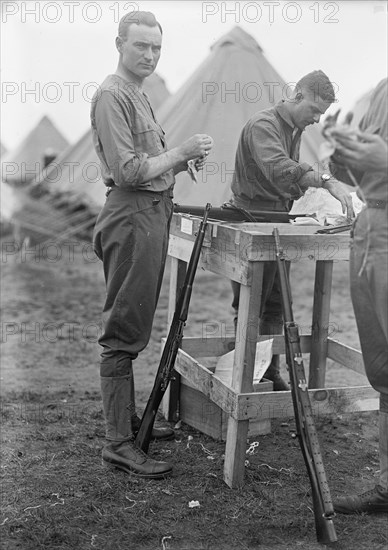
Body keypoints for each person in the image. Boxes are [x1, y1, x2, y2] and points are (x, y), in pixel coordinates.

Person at [91, 11, 213, 479]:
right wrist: (179, 152)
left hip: (150, 215)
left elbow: (147, 163)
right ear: (119, 43)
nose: (150, 55)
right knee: (124, 327)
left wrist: (180, 165)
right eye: (141, 46)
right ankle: (117, 443)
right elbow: (126, 172)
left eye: (156, 48)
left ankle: (126, 420)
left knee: (136, 321)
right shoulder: (111, 96)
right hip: (132, 217)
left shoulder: (137, 95)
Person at [230, 70, 354, 391]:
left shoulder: (294, 128)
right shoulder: (264, 125)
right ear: (297, 96)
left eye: (321, 114)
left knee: (276, 302)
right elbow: (281, 170)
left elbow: (294, 181)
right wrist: (325, 181)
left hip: (278, 221)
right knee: (250, 304)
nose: (316, 118)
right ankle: (245, 380)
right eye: (314, 110)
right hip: (252, 221)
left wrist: (316, 192)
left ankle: (268, 373)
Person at [329, 77, 388, 514]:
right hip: (370, 229)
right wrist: (341, 155)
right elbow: (354, 174)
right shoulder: (381, 91)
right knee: (383, 369)